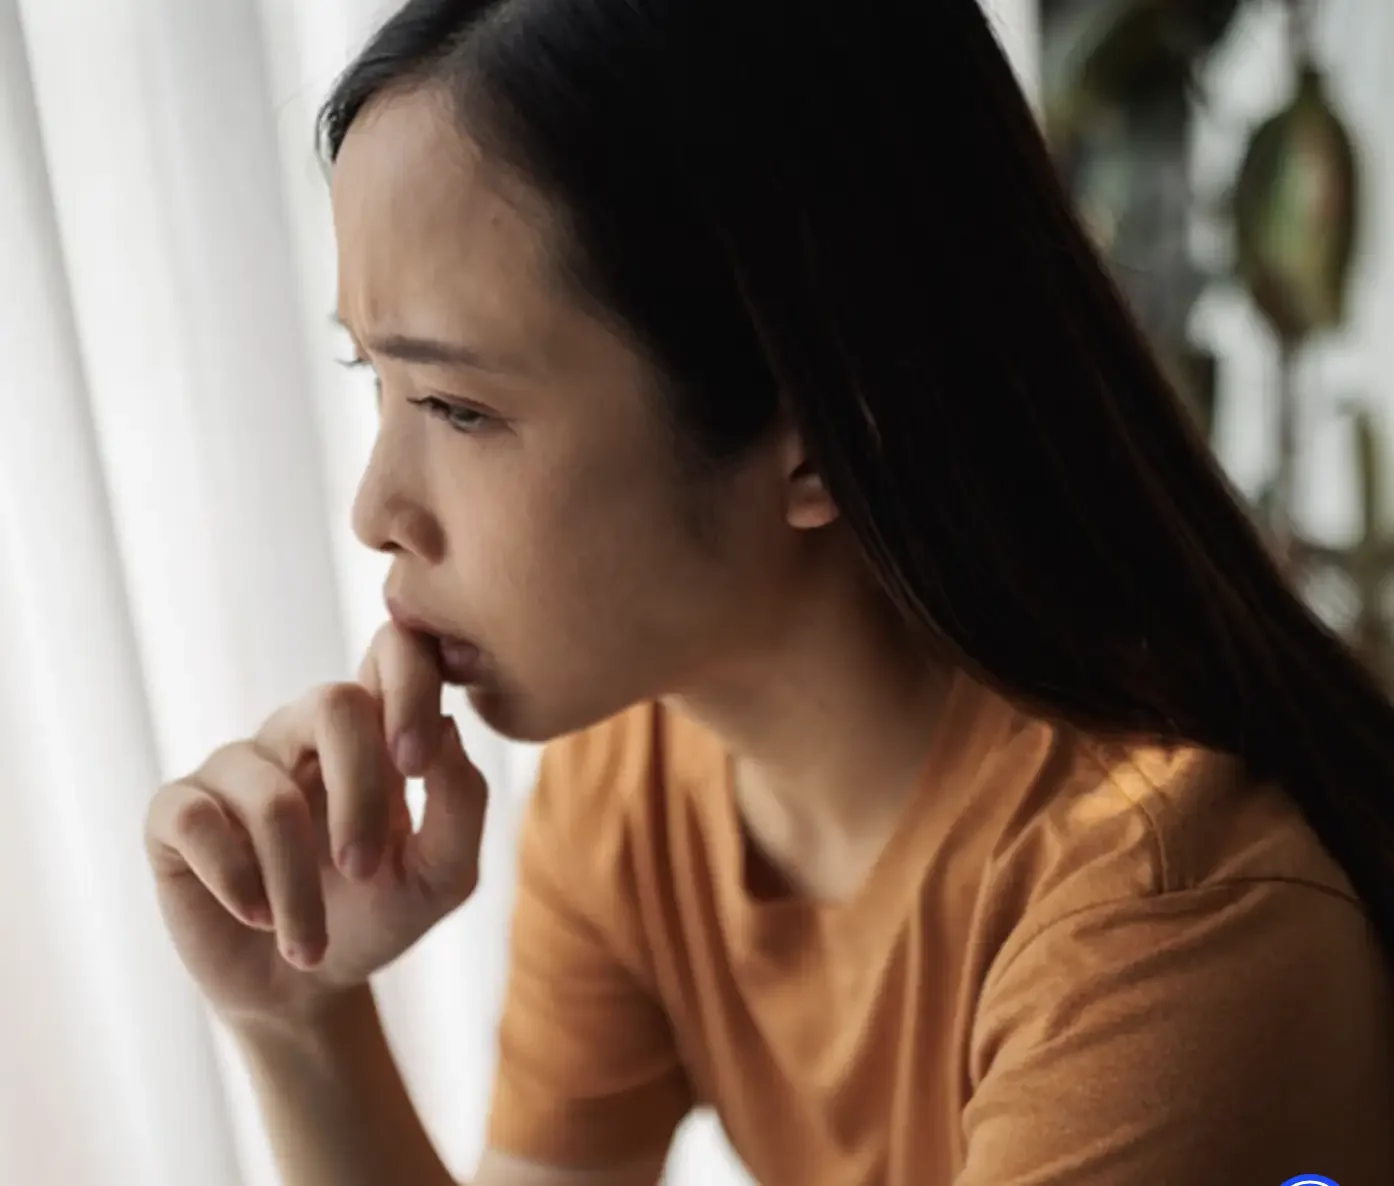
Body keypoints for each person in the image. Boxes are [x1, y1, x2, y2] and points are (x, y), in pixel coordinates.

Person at [143, 0, 1394, 1182]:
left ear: (820, 431)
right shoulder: (637, 781)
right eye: (376, 379)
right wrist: (298, 1014)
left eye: (457, 407)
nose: (374, 511)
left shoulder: (1169, 933)